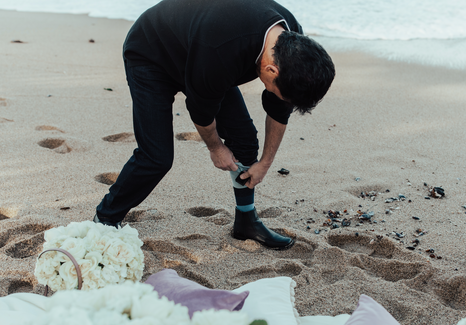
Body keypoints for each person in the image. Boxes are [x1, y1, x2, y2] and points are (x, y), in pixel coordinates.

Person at [93, 0, 335, 250]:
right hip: (152, 54)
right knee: (156, 157)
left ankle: (246, 221)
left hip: (200, 52)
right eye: (280, 92)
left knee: (244, 140)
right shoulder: (221, 51)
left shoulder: (293, 45)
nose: (280, 98)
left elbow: (280, 110)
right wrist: (216, 148)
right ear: (272, 70)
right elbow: (200, 110)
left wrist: (265, 163)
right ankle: (105, 218)